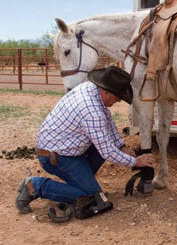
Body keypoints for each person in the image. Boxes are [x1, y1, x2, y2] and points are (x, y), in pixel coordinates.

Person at [15, 66, 154, 214]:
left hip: (67, 148)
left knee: (102, 148)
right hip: (57, 157)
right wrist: (135, 162)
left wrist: (121, 147)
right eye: (118, 97)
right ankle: (34, 186)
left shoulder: (91, 89)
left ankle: (80, 183)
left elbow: (108, 121)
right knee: (92, 197)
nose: (119, 101)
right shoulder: (91, 110)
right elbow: (107, 151)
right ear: (106, 91)